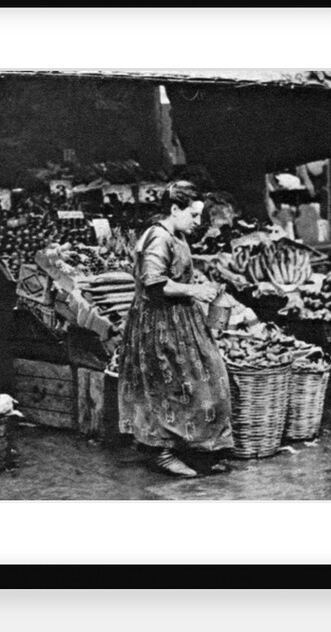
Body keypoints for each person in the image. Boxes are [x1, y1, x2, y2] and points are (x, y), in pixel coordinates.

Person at [118, 181, 235, 477]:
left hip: (181, 319)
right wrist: (194, 290)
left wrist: (202, 287)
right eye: (193, 215)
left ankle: (199, 448)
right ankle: (161, 452)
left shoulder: (177, 234)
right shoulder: (158, 236)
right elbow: (153, 282)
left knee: (209, 378)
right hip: (159, 322)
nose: (197, 222)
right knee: (167, 387)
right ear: (174, 209)